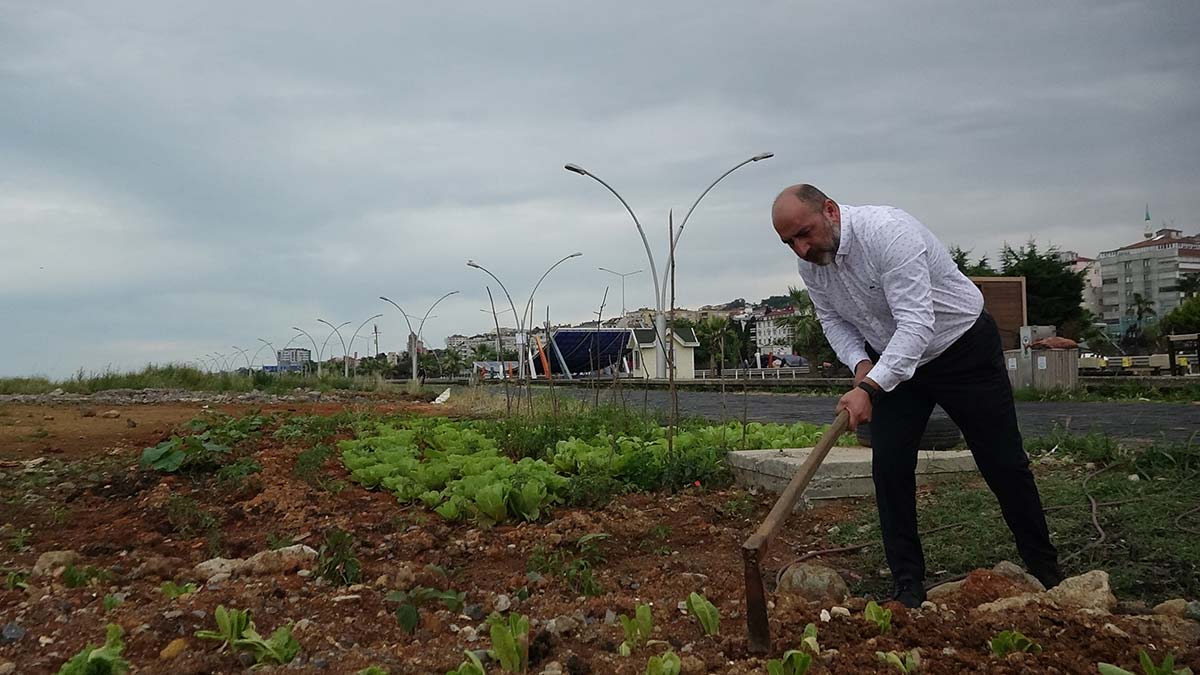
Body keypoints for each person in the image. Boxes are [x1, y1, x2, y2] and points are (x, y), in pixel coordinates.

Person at [771, 184, 1062, 608]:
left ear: (830, 211)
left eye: (805, 232)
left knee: (1003, 462)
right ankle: (907, 587)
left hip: (960, 348)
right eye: (789, 242)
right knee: (889, 469)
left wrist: (869, 388)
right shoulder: (813, 266)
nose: (801, 247)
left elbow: (917, 324)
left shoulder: (889, 234)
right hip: (891, 360)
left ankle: (1045, 569)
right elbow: (834, 321)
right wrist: (860, 366)